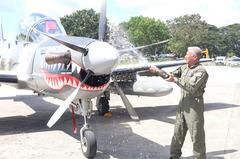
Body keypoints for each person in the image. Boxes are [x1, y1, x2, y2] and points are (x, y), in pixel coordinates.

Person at [149, 46, 209, 159]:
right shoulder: (184, 67)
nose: (185, 56)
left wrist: (175, 80)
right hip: (183, 104)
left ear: (194, 57)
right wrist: (157, 71)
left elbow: (191, 87)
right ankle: (174, 156)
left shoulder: (201, 71)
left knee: (197, 135)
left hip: (194, 106)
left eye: (187, 54)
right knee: (178, 132)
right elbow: (170, 76)